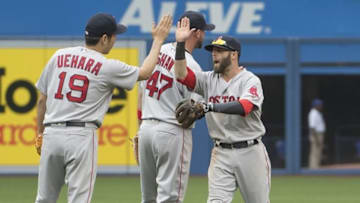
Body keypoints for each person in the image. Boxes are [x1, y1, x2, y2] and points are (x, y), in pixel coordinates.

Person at [34, 13, 172, 203]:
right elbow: (146, 72)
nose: (115, 40)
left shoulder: (59, 56)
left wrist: (40, 133)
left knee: (44, 199)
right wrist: (158, 40)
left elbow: (42, 100)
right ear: (104, 38)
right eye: (114, 36)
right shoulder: (106, 66)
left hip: (51, 134)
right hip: (81, 136)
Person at [174, 17, 271, 203]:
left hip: (250, 151)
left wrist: (209, 106)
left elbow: (245, 107)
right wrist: (180, 44)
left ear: (234, 55)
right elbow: (181, 74)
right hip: (221, 153)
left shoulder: (249, 80)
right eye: (212, 51)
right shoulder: (208, 79)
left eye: (219, 51)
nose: (214, 55)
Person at [137, 11, 214, 203]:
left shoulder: (158, 50)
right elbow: (193, 110)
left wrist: (139, 129)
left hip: (146, 128)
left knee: (148, 198)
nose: (204, 36)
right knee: (170, 198)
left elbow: (141, 92)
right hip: (171, 131)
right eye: (203, 31)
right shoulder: (193, 66)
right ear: (195, 33)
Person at [308, 98, 326, 169]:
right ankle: (313, 168)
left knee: (318, 151)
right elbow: (312, 127)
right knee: (315, 151)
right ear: (315, 105)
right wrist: (316, 137)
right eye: (319, 105)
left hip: (319, 133)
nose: (321, 106)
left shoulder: (317, 113)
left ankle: (316, 167)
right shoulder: (313, 113)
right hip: (315, 134)